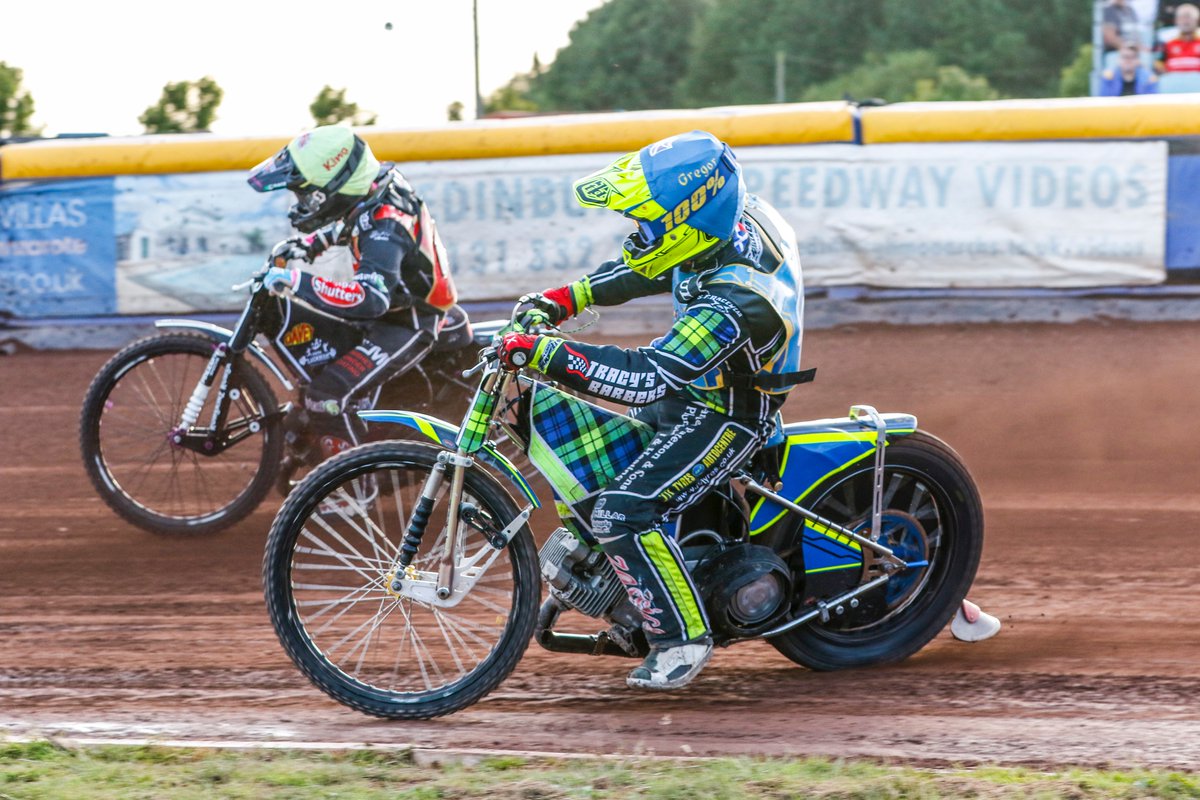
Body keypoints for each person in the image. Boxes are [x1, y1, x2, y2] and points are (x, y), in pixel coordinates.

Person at [495, 131, 807, 690]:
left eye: (650, 220)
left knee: (620, 513)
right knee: (600, 470)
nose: (638, 232)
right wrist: (569, 297)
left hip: (730, 413)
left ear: (690, 219)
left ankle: (682, 637)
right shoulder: (723, 227)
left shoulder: (738, 302)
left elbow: (645, 378)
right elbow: (656, 266)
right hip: (695, 390)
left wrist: (546, 352)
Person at [247, 125, 459, 467]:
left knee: (325, 395)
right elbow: (353, 219)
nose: (305, 203)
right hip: (395, 308)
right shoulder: (376, 184)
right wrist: (312, 243)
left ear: (338, 185)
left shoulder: (385, 229)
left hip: (407, 321)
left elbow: (370, 298)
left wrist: (296, 281)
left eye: (310, 194)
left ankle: (354, 488)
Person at [1157, 2, 1200, 70]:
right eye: (1182, 18)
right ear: (1176, 21)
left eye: (1189, 17)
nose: (1186, 21)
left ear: (1197, 21)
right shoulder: (1168, 44)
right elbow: (1158, 63)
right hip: (1172, 79)